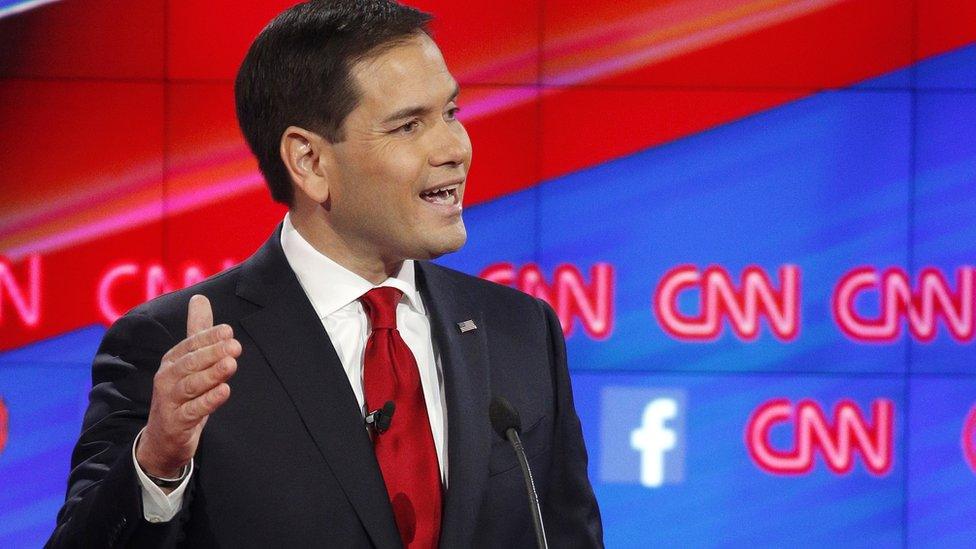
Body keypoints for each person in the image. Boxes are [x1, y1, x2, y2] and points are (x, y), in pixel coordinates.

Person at [46, 1, 603, 547]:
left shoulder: (519, 331)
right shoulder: (175, 346)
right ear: (309, 162)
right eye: (409, 126)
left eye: (451, 113)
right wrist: (157, 463)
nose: (455, 147)